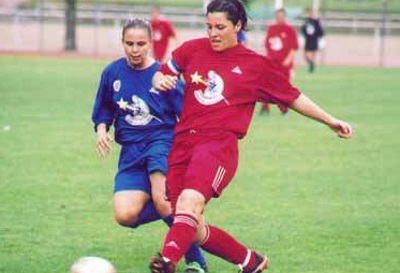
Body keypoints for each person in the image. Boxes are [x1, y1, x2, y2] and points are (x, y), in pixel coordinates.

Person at [149, 0, 353, 273]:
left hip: (218, 145)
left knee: (189, 203)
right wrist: (159, 80)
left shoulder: (256, 66)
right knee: (190, 227)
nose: (213, 33)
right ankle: (250, 262)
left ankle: (166, 261)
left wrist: (330, 120)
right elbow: (164, 71)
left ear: (239, 25)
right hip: (183, 143)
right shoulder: (191, 50)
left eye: (220, 27)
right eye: (209, 26)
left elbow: (293, 97)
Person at [91, 18, 207, 273]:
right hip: (130, 152)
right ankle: (185, 214)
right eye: (129, 44)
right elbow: (104, 110)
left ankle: (195, 259)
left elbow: (189, 115)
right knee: (125, 215)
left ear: (150, 44)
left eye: (141, 44)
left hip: (161, 142)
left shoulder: (165, 76)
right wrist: (101, 130)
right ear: (122, 43)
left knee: (163, 200)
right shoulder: (112, 73)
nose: (135, 49)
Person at [261, 8, 299, 115]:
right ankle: (265, 108)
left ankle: (284, 108)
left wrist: (289, 59)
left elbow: (294, 46)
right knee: (267, 84)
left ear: (284, 17)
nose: (279, 18)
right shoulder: (271, 28)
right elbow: (267, 45)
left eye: (281, 16)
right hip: (272, 62)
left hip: (284, 64)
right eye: (278, 16)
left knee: (283, 87)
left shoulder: (289, 29)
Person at [301, 8, 324, 73]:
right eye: (311, 13)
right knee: (305, 55)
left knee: (313, 54)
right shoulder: (307, 21)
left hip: (314, 40)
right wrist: (305, 34)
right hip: (308, 40)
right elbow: (303, 29)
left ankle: (311, 68)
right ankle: (311, 64)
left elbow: (321, 32)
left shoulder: (317, 22)